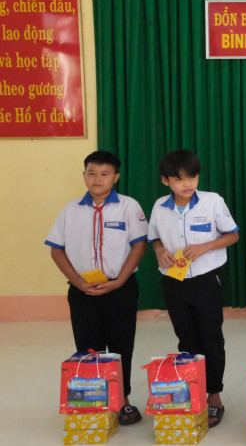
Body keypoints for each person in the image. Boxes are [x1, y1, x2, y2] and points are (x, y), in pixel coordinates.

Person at [46, 150, 148, 426]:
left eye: (104, 174)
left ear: (116, 177)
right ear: (84, 176)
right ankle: (95, 400)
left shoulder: (128, 206)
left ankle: (122, 399)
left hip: (120, 289)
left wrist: (120, 280)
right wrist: (79, 282)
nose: (97, 179)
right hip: (83, 291)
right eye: (91, 173)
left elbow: (139, 245)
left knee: (121, 344)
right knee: (87, 346)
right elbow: (56, 250)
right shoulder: (70, 210)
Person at [148, 149, 240, 428]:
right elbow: (154, 238)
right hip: (174, 281)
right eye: (179, 179)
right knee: (186, 337)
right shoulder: (159, 206)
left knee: (211, 337)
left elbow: (233, 235)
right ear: (165, 180)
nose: (187, 184)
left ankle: (214, 396)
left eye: (192, 177)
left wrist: (206, 246)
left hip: (206, 279)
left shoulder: (212, 201)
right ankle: (192, 391)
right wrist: (159, 250)